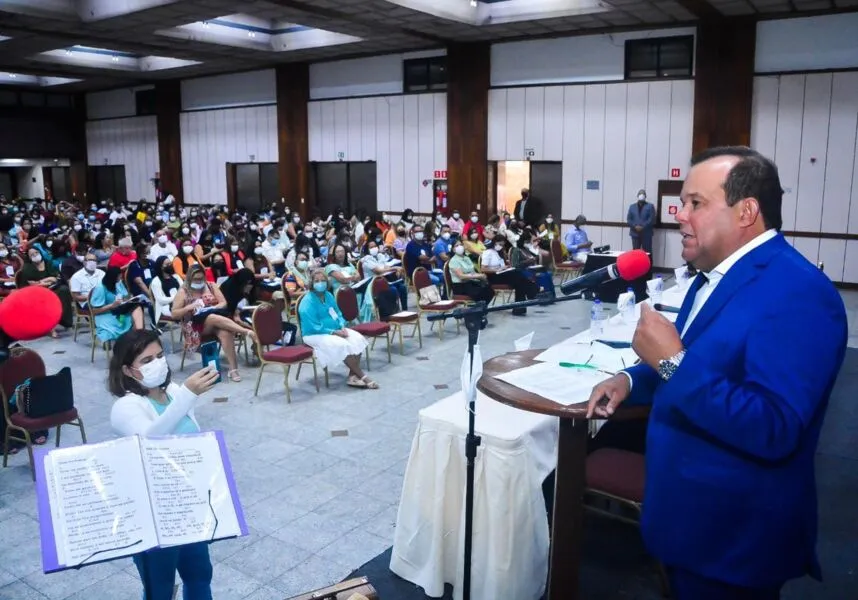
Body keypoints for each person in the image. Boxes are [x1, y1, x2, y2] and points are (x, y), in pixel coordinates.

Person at [586, 147, 848, 600]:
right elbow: (696, 365)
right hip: (687, 519)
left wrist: (667, 360)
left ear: (747, 211)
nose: (679, 216)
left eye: (695, 203)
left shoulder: (799, 292)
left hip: (733, 539)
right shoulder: (716, 275)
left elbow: (773, 427)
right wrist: (631, 379)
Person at [108, 329, 220, 600]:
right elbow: (151, 437)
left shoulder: (172, 392)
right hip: (153, 513)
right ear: (128, 369)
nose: (157, 363)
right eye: (146, 361)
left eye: (159, 356)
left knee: (199, 574)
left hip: (188, 505)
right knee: (159, 587)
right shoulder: (126, 407)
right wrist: (188, 396)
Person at [172, 264, 258, 383]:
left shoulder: (211, 286)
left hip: (212, 320)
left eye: (201, 278)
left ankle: (233, 370)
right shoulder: (183, 291)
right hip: (193, 327)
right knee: (212, 317)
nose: (199, 281)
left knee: (225, 331)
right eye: (196, 279)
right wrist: (189, 307)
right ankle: (246, 331)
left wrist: (212, 307)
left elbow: (224, 303)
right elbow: (174, 314)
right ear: (189, 278)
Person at [298, 270, 377, 389]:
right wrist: (334, 332)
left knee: (357, 339)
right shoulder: (307, 302)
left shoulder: (328, 295)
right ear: (311, 283)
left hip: (335, 329)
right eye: (317, 281)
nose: (321, 283)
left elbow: (338, 313)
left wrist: (341, 326)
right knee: (342, 344)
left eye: (323, 280)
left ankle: (352, 377)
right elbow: (313, 325)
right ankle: (363, 376)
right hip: (314, 334)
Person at [19, 246, 74, 336]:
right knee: (46, 300)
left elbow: (55, 278)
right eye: (32, 254)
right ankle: (50, 327)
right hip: (35, 292)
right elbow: (31, 285)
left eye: (36, 253)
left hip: (52, 288)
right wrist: (45, 282)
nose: (35, 255)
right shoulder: (27, 268)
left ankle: (64, 320)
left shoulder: (48, 263)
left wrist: (42, 281)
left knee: (64, 290)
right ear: (29, 257)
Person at [480, 235, 538, 315]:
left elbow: (502, 265)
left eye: (502, 245)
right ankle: (533, 291)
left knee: (519, 281)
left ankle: (519, 309)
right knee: (517, 275)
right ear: (494, 242)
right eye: (499, 244)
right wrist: (496, 270)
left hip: (502, 274)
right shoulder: (488, 252)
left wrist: (506, 267)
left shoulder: (500, 253)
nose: (500, 246)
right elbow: (483, 269)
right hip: (493, 276)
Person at [90, 265, 146, 342]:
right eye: (118, 277)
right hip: (106, 316)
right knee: (131, 320)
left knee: (137, 307)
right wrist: (111, 305)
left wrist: (130, 300)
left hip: (120, 313)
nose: (120, 279)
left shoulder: (118, 283)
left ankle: (139, 337)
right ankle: (135, 340)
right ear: (112, 278)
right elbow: (94, 311)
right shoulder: (100, 288)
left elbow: (125, 296)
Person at [151, 255, 182, 324]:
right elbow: (161, 300)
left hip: (179, 303)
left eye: (170, 263)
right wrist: (176, 298)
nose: (170, 265)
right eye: (167, 264)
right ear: (161, 267)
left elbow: (184, 289)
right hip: (165, 307)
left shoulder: (176, 276)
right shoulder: (156, 281)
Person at [627, 188, 655, 253]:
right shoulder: (632, 206)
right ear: (637, 196)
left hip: (646, 234)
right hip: (635, 233)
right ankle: (636, 264)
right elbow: (629, 219)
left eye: (643, 194)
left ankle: (649, 263)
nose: (641, 195)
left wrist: (642, 227)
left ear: (645, 196)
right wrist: (635, 226)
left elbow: (651, 219)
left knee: (647, 253)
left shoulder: (650, 206)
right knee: (635, 253)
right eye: (640, 194)